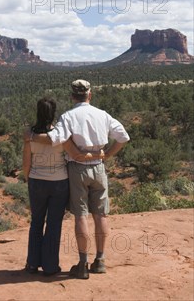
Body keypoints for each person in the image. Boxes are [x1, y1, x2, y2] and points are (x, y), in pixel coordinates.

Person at [26, 80, 129, 279]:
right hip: (99, 168)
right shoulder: (103, 115)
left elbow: (53, 139)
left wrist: (30, 135)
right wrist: (106, 155)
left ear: (73, 96)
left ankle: (82, 264)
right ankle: (100, 260)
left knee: (81, 215)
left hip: (76, 169)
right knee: (101, 215)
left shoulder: (68, 116)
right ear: (90, 95)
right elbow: (123, 137)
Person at [23, 96, 104, 276]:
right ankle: (50, 267)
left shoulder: (29, 135)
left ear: (38, 112)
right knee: (54, 224)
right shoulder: (61, 135)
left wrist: (30, 179)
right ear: (53, 114)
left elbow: (26, 163)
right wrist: (97, 154)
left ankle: (32, 264)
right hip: (59, 183)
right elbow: (76, 155)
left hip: (37, 181)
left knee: (36, 222)